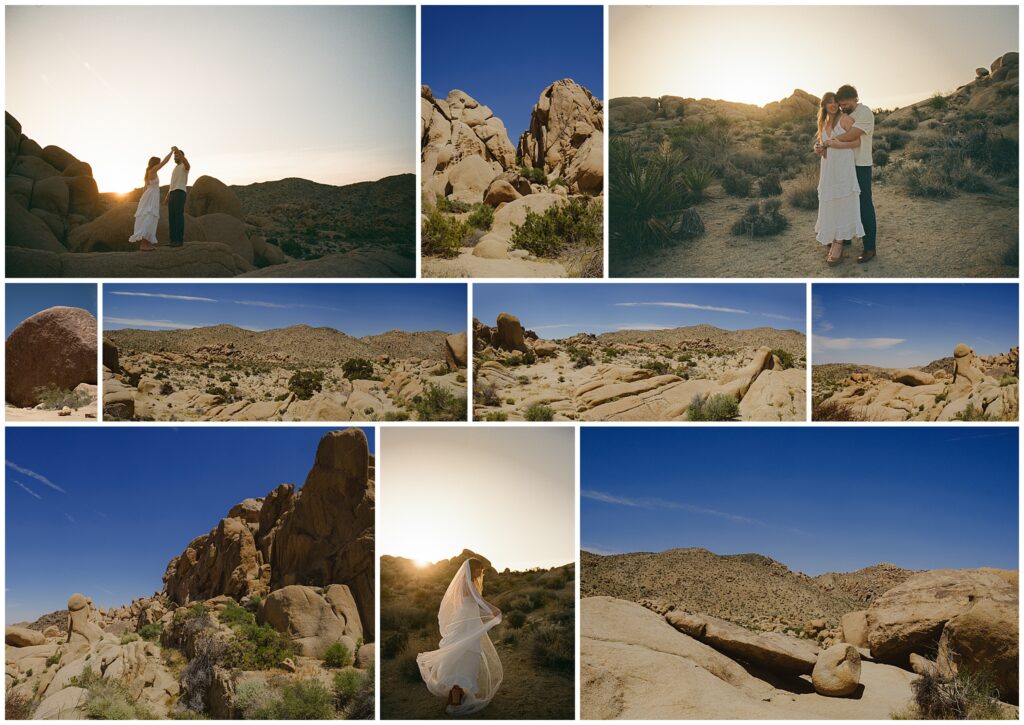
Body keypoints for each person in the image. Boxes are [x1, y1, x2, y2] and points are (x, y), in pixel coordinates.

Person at [417, 558, 503, 715]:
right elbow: (479, 600)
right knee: (463, 654)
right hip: (466, 622)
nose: (481, 573)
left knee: (462, 653)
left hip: (465, 619)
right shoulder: (468, 583)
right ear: (473, 569)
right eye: (480, 570)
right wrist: (494, 610)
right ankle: (455, 700)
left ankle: (456, 695)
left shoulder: (464, 582)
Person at [813, 92, 864, 266]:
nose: (833, 105)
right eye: (829, 103)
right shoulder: (823, 123)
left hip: (843, 166)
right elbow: (824, 144)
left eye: (835, 102)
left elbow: (857, 142)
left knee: (843, 201)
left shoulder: (845, 119)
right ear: (824, 106)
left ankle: (839, 242)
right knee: (830, 201)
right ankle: (832, 234)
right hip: (828, 168)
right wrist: (818, 149)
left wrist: (838, 144)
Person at [826, 84, 876, 263]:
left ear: (855, 99)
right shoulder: (843, 116)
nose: (843, 107)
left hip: (860, 164)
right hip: (843, 166)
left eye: (846, 104)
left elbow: (854, 134)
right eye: (841, 105)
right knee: (844, 202)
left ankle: (869, 248)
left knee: (864, 205)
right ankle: (844, 237)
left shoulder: (865, 113)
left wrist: (831, 141)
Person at [128, 150, 173, 251]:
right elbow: (164, 162)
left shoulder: (149, 172)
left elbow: (145, 188)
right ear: (155, 163)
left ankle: (147, 243)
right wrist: (171, 152)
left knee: (151, 219)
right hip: (151, 196)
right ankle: (143, 245)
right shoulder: (152, 171)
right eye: (158, 162)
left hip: (150, 196)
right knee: (148, 218)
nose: (159, 164)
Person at [163, 147, 190, 247]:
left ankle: (179, 240)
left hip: (180, 193)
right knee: (172, 217)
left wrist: (177, 150)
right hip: (173, 193)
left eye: (177, 155)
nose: (175, 157)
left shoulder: (184, 166)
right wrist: (167, 196)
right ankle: (172, 240)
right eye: (174, 156)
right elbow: (172, 184)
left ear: (182, 156)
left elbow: (187, 163)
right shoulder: (175, 168)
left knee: (178, 216)